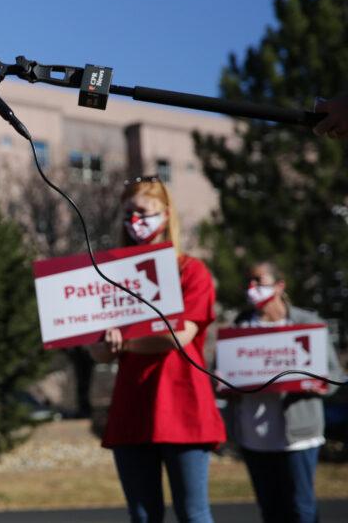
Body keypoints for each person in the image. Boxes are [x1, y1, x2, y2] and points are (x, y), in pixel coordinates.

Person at [89, 176, 226, 523]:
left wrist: (125, 341)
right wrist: (106, 345)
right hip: (132, 405)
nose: (135, 221)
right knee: (142, 514)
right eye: (128, 213)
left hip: (182, 404)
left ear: (166, 215)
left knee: (192, 512)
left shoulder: (191, 270)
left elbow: (178, 336)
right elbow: (99, 352)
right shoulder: (109, 276)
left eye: (144, 212)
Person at [224, 261, 344, 523]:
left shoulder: (307, 324)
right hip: (254, 437)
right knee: (271, 511)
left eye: (259, 281)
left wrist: (317, 383)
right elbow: (220, 377)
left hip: (298, 437)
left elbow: (334, 376)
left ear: (280, 286)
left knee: (302, 510)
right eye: (249, 282)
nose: (252, 288)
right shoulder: (240, 327)